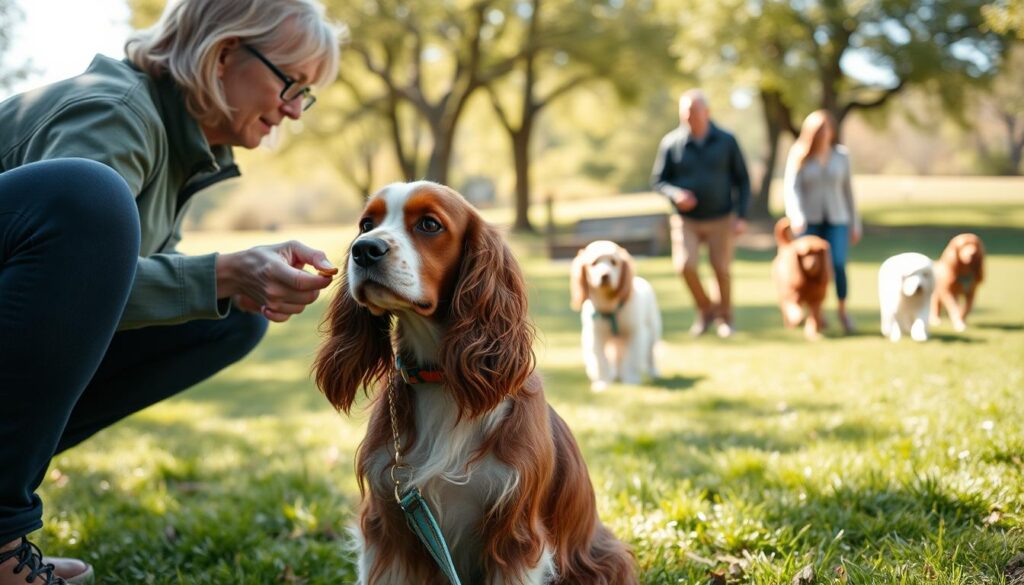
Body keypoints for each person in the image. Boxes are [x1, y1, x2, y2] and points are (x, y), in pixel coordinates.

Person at [0, 0, 343, 583]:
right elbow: (67, 275)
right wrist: (223, 273)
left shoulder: (176, 146)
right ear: (225, 52)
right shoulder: (115, 111)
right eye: (290, 82)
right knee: (92, 197)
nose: (293, 109)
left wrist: (230, 282)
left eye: (304, 93)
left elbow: (76, 295)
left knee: (232, 316)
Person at [651, 89, 751, 338]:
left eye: (693, 112)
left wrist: (741, 216)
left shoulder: (727, 141)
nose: (688, 117)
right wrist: (676, 195)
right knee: (685, 266)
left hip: (721, 218)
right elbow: (659, 181)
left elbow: (743, 180)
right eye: (684, 113)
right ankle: (706, 310)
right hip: (686, 220)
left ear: (706, 112)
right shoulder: (671, 143)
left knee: (721, 269)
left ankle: (725, 319)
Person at [782, 109, 862, 334]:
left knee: (837, 263)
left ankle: (842, 310)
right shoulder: (799, 154)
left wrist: (855, 223)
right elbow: (791, 189)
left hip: (838, 218)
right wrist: (796, 215)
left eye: (827, 129)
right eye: (819, 130)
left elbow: (848, 192)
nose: (824, 134)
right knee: (810, 270)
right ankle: (815, 315)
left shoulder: (841, 156)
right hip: (809, 220)